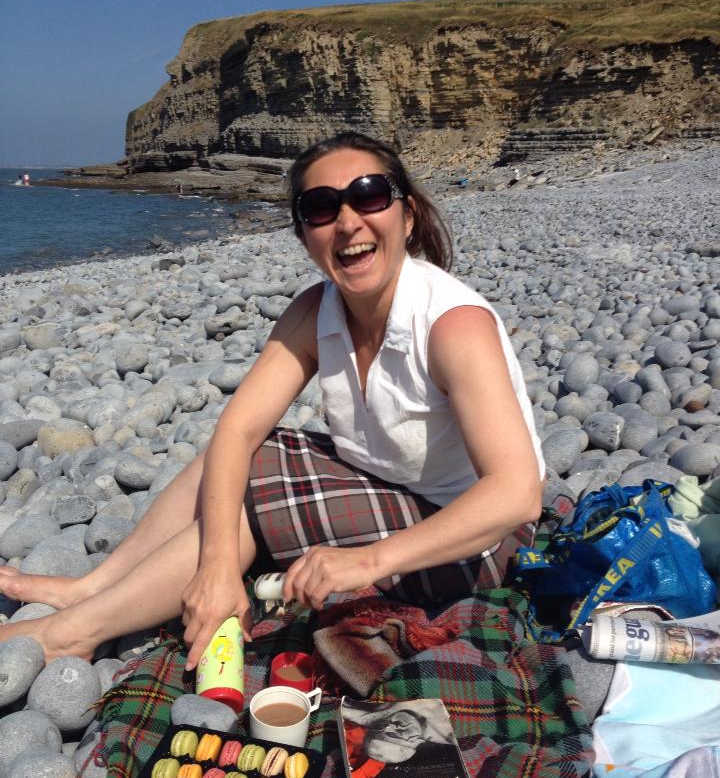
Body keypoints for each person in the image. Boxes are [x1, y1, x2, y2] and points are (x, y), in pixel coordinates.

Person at [0, 132, 544, 670]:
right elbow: (236, 430)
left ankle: (69, 633)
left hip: (473, 538)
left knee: (252, 505)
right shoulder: (317, 311)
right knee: (240, 458)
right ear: (304, 234)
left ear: (406, 215)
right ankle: (95, 586)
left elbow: (517, 496)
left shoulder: (452, 327)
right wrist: (215, 568)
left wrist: (367, 562)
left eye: (370, 195)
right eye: (321, 207)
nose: (348, 221)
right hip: (393, 485)